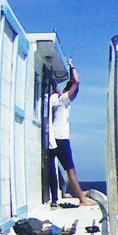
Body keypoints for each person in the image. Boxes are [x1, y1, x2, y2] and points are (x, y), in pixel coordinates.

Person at [49, 59, 95, 207]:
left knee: (57, 168)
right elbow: (76, 82)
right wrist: (72, 66)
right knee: (70, 170)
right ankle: (82, 199)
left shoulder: (56, 99)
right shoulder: (64, 100)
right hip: (61, 138)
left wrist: (51, 78)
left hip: (52, 138)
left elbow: (57, 88)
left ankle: (72, 192)